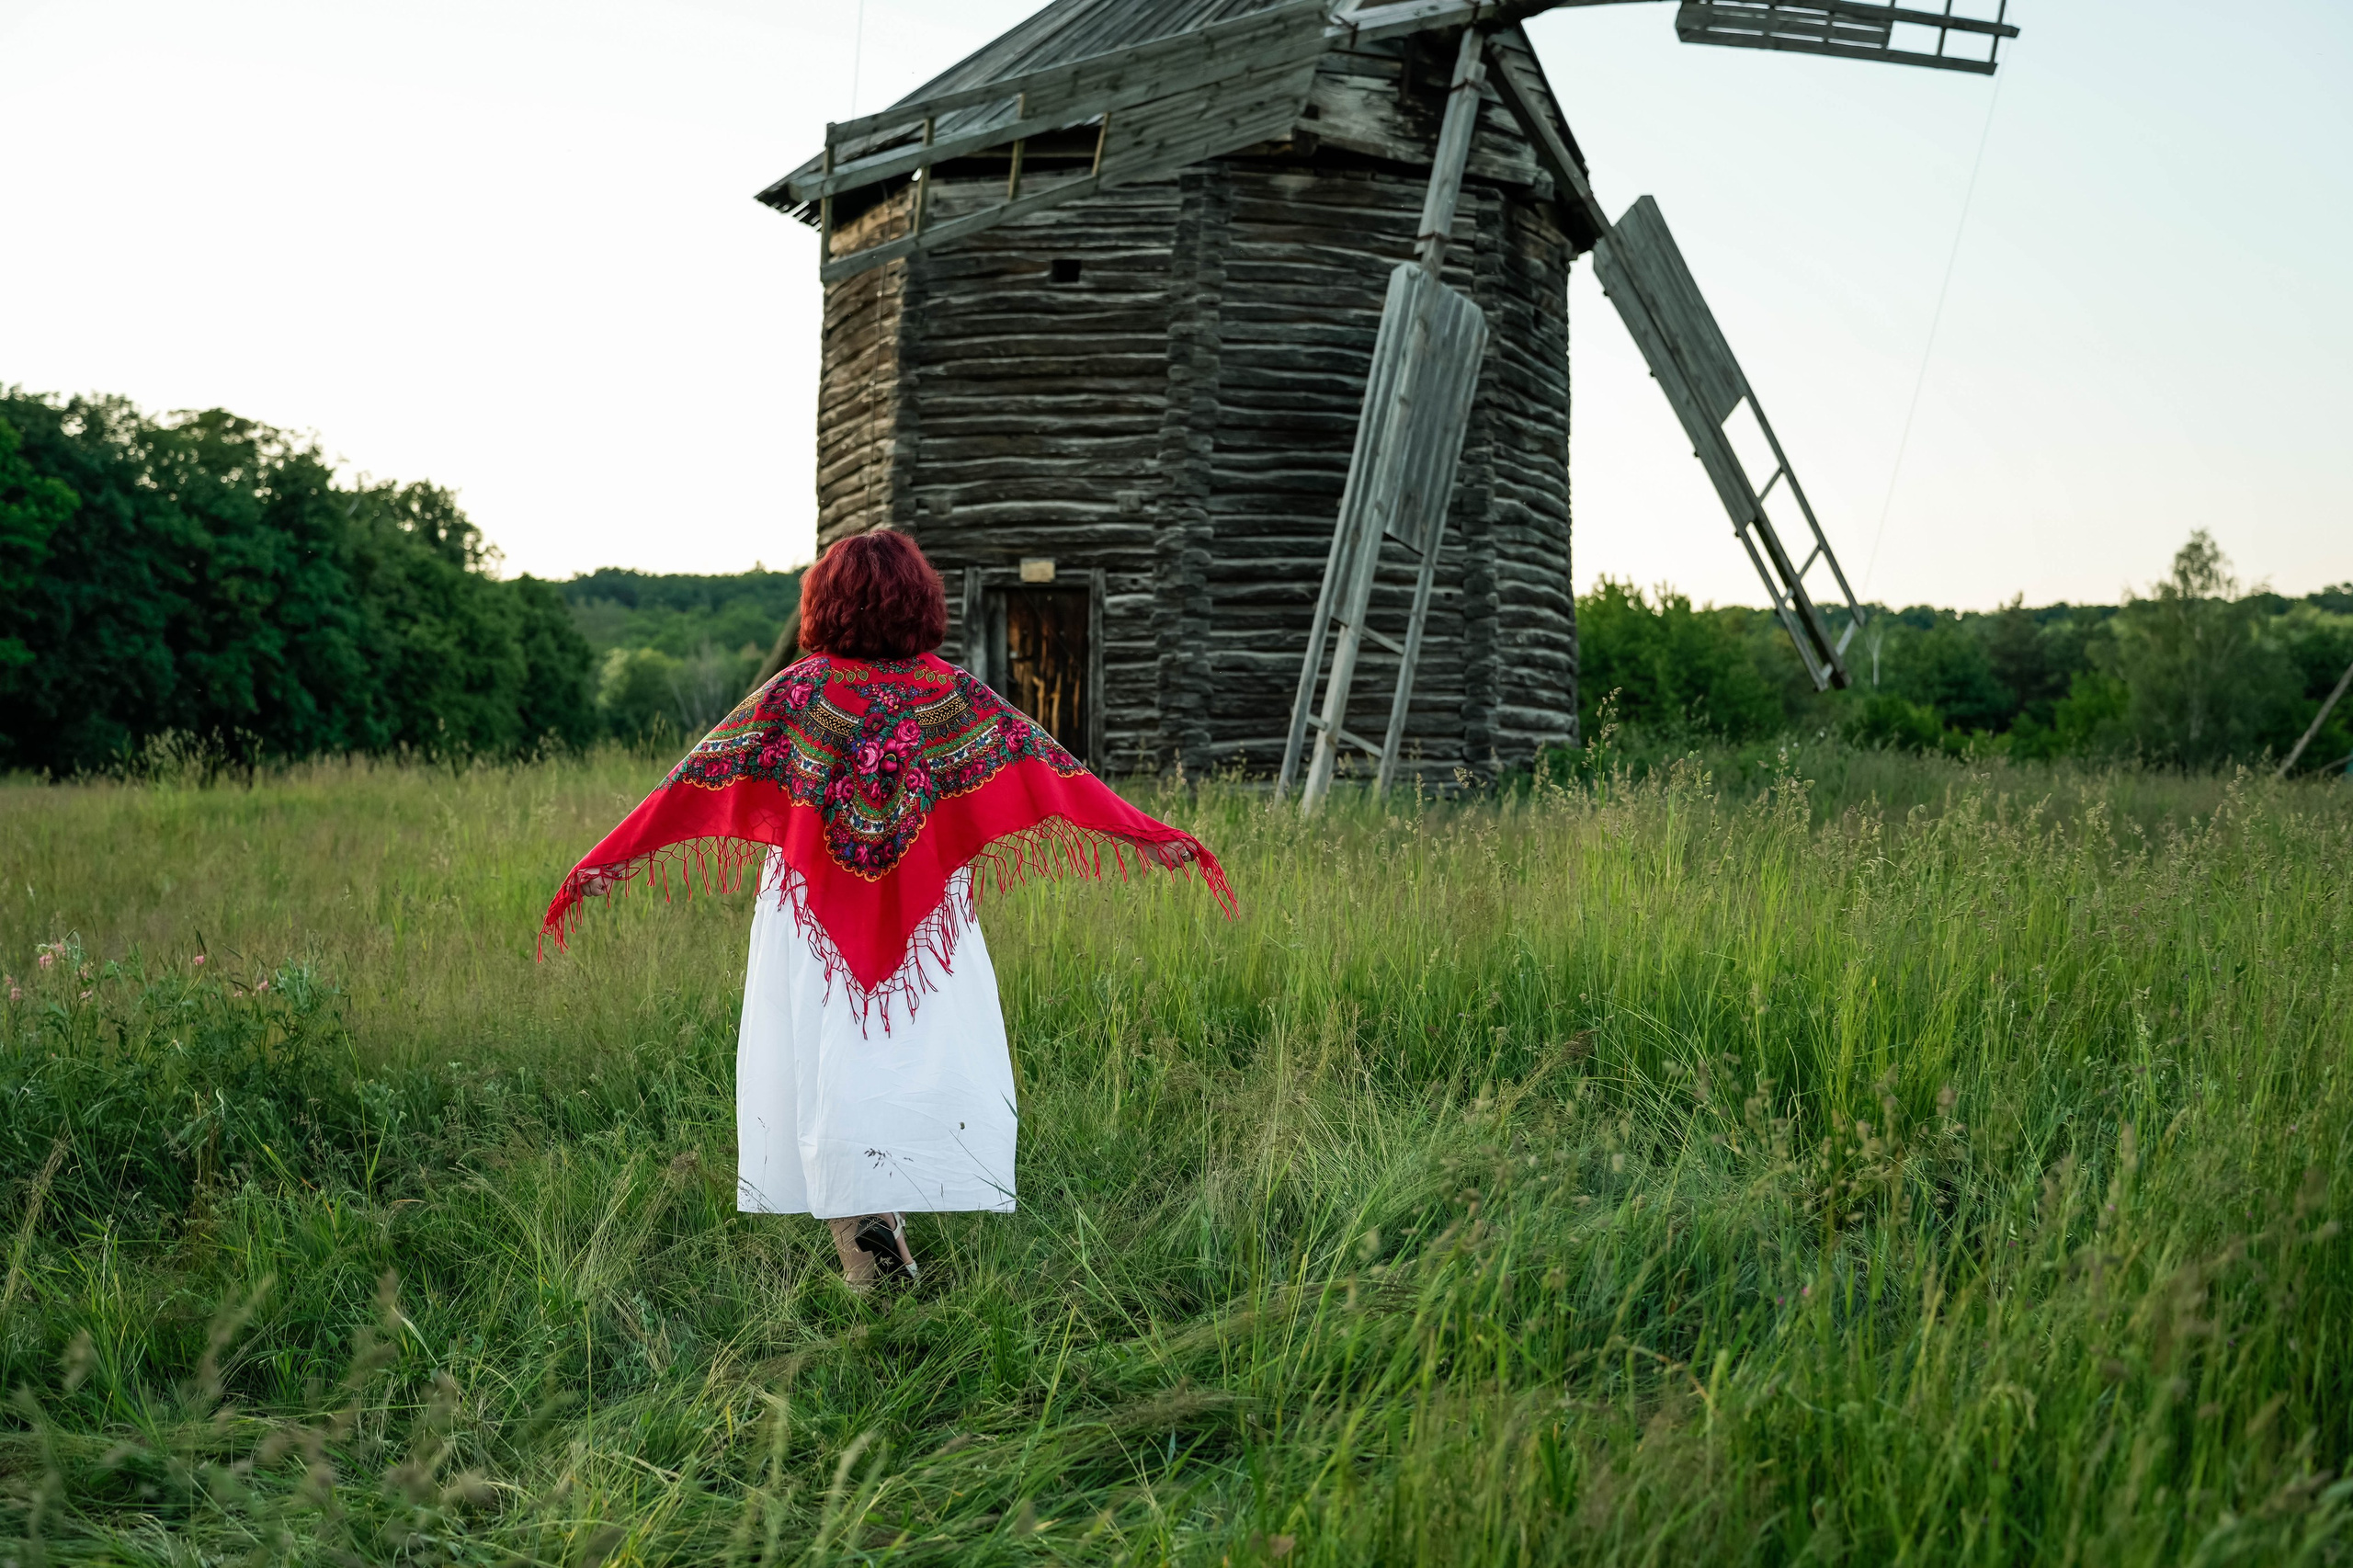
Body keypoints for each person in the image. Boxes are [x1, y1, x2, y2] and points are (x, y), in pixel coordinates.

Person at [544, 529, 1230, 1290]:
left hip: (807, 919)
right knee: (900, 1065)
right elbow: (1052, 768)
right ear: (918, 601)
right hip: (926, 915)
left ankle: (872, 1255)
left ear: (825, 603)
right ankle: (880, 1246)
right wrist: (1148, 836)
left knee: (827, 1066)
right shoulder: (950, 694)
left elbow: (695, 776)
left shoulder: (797, 693)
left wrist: (609, 858)